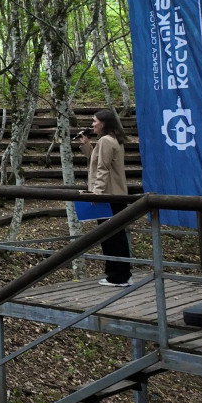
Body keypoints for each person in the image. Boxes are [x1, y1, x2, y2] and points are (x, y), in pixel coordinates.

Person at [79, 108, 132, 287]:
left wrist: (97, 193)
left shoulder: (105, 141)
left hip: (108, 195)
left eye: (94, 121)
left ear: (104, 123)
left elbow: (103, 169)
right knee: (116, 235)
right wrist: (86, 144)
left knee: (111, 237)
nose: (92, 124)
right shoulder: (113, 140)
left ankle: (117, 275)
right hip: (116, 194)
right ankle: (123, 273)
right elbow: (96, 160)